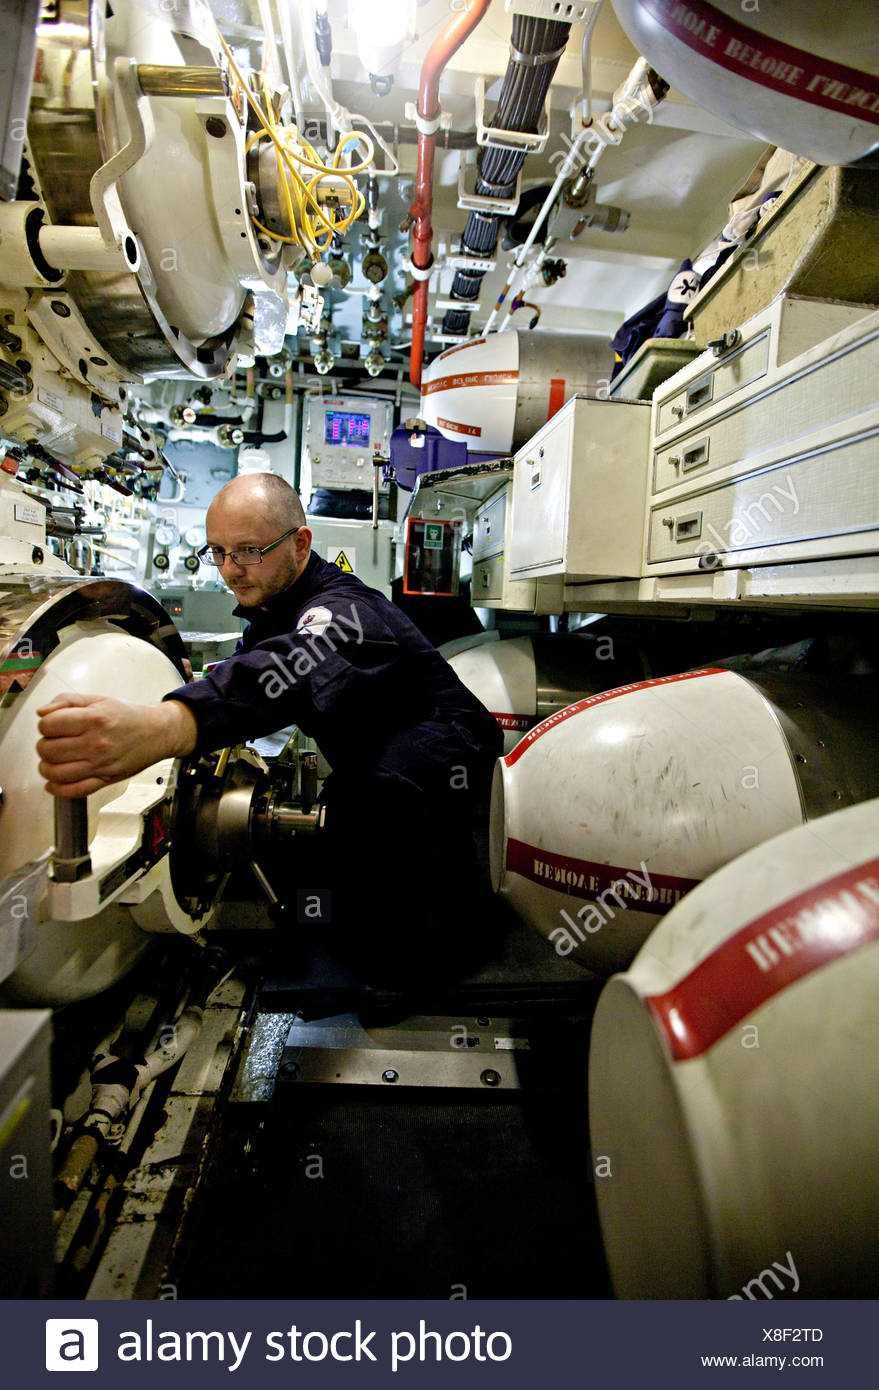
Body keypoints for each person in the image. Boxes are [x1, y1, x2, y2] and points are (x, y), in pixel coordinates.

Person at [37, 475, 504, 987]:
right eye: (217, 551)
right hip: (378, 750)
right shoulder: (272, 608)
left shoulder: (347, 610)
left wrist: (168, 725)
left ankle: (409, 967)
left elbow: (298, 666)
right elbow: (250, 668)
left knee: (363, 811)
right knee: (345, 819)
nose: (229, 570)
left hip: (445, 747)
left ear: (300, 544)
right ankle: (344, 935)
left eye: (248, 551)